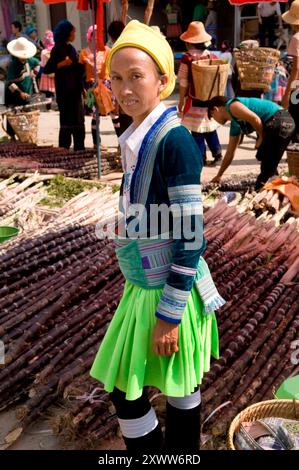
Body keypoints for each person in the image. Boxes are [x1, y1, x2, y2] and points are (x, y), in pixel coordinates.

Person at [90, 20, 224, 452]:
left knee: (124, 391)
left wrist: (169, 314)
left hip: (167, 292)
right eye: (117, 78)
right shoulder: (137, 137)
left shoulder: (175, 142)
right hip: (144, 284)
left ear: (163, 81)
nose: (125, 88)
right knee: (179, 382)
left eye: (136, 76)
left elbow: (191, 235)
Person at [208, 96, 295, 190]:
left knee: (265, 172)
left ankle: (263, 190)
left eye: (212, 117)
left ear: (215, 110)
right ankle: (274, 186)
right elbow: (230, 153)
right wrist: (219, 175)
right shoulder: (235, 124)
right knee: (267, 161)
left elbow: (255, 119)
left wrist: (260, 138)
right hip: (283, 122)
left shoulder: (232, 105)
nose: (215, 121)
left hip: (280, 120)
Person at [178, 21, 222, 165]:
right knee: (209, 128)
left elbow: (183, 81)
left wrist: (180, 100)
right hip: (210, 99)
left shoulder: (187, 58)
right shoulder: (212, 57)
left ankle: (201, 157)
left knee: (197, 130)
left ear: (189, 42)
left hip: (195, 99)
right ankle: (217, 153)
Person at [44, 20, 85, 151]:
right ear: (67, 33)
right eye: (73, 31)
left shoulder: (71, 49)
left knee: (78, 119)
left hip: (75, 90)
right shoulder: (57, 49)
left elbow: (76, 68)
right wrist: (61, 64)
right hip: (64, 91)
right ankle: (64, 148)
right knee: (66, 119)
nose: (75, 34)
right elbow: (47, 69)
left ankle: (79, 147)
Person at [79, 25, 112, 149]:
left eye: (100, 34)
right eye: (95, 34)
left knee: (114, 114)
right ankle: (96, 142)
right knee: (95, 115)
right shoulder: (83, 53)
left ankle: (120, 142)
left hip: (106, 85)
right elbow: (80, 73)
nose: (97, 37)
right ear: (90, 36)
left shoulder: (107, 51)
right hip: (91, 86)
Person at [5, 37, 39, 139]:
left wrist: (35, 72)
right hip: (13, 94)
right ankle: (12, 137)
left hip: (27, 93)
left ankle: (26, 136)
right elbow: (10, 83)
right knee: (13, 115)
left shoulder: (30, 60)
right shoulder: (13, 65)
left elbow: (37, 63)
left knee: (27, 115)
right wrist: (20, 93)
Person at [107, 20, 132, 138]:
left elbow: (116, 78)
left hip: (123, 95)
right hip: (135, 93)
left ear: (111, 37)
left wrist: (116, 102)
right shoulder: (133, 47)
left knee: (126, 126)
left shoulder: (115, 53)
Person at [281, 0, 299, 142]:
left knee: (295, 120)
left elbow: (296, 69)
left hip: (297, 88)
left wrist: (287, 94)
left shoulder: (296, 38)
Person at [39, 30, 55, 111]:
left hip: (46, 73)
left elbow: (42, 64)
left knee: (48, 93)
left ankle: (48, 108)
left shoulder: (43, 52)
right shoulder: (55, 49)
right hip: (56, 73)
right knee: (57, 90)